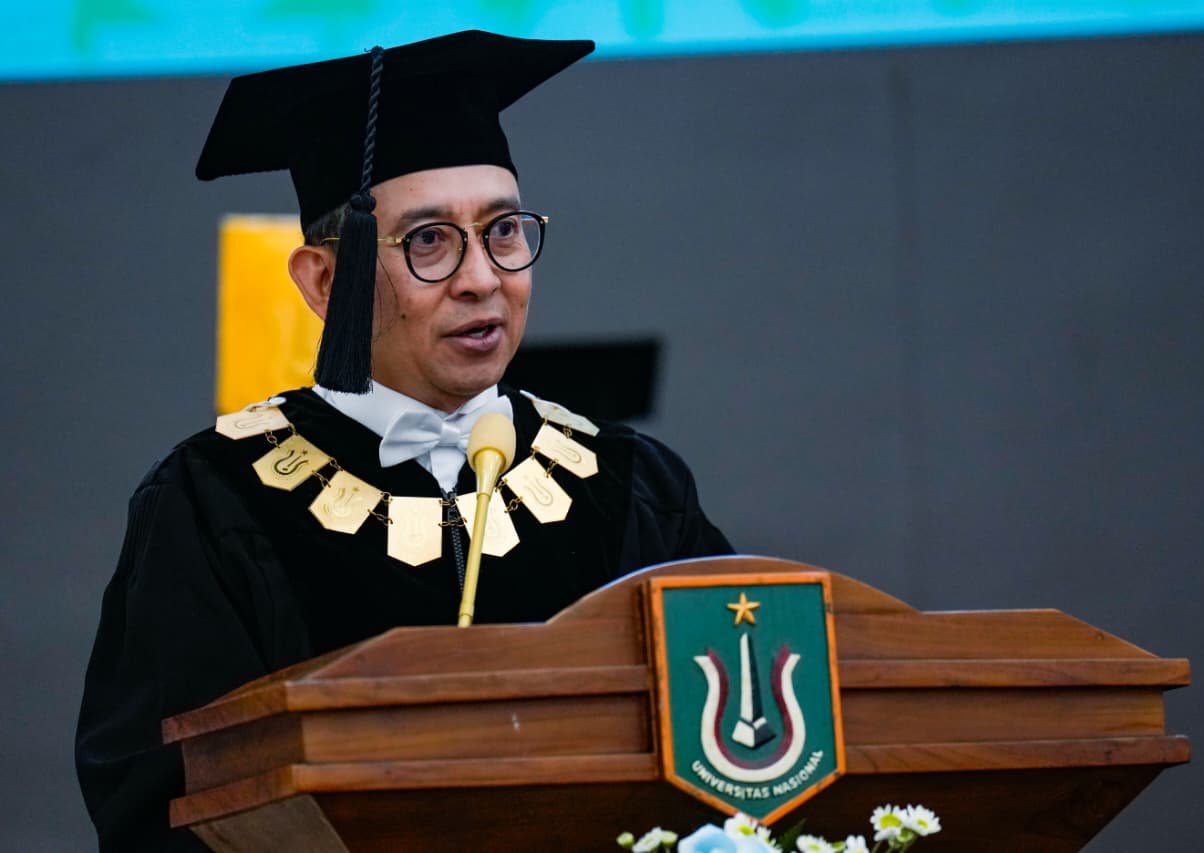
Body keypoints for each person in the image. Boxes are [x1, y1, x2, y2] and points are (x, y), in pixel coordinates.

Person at [75, 31, 731, 852]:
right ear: (324, 281)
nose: (482, 278)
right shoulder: (217, 500)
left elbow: (731, 749)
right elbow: (165, 805)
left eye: (503, 230)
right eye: (428, 241)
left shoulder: (626, 482)